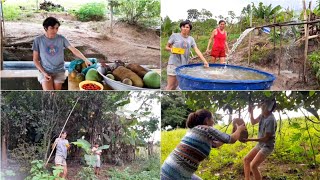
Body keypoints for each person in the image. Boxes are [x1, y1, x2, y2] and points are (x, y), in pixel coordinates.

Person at [161, 109, 246, 180]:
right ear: (207, 120)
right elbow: (231, 139)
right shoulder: (207, 129)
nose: (214, 121)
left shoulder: (195, 130)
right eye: (212, 118)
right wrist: (239, 129)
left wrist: (233, 133)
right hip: (176, 174)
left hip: (169, 168)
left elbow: (217, 144)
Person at [32, 17, 92, 90]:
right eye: (52, 28)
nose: (55, 30)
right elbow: (35, 59)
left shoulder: (61, 38)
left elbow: (73, 49)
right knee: (49, 93)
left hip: (59, 71)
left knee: (56, 94)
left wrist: (85, 59)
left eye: (57, 28)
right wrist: (44, 73)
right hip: (44, 70)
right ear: (45, 28)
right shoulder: (38, 40)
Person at [165, 20, 209, 90]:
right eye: (183, 26)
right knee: (171, 85)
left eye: (187, 27)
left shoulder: (191, 39)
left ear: (189, 29)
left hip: (183, 65)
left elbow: (196, 50)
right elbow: (166, 47)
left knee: (176, 84)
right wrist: (172, 49)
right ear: (181, 27)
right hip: (173, 63)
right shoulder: (174, 36)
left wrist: (205, 61)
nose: (185, 28)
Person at [243, 99, 277, 180]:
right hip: (260, 144)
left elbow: (266, 139)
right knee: (246, 159)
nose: (261, 106)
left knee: (253, 165)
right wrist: (251, 112)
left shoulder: (270, 120)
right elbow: (253, 122)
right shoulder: (262, 115)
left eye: (264, 105)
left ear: (269, 108)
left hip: (267, 146)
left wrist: (249, 140)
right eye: (262, 104)